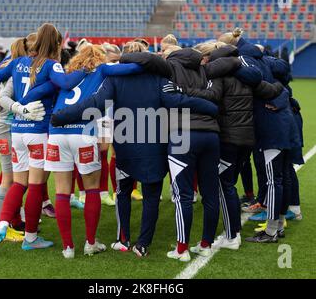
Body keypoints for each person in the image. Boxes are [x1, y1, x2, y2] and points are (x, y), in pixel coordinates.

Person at [51, 42, 219, 258]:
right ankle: (143, 243)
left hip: (125, 146)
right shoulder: (160, 79)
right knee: (151, 195)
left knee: (123, 193)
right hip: (154, 146)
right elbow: (178, 101)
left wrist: (61, 116)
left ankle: (123, 239)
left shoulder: (115, 78)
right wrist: (211, 108)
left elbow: (95, 103)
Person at [116, 43, 241, 260]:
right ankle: (205, 244)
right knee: (209, 193)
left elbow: (164, 91)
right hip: (211, 134)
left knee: (183, 195)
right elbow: (217, 88)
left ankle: (181, 250)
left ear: (171, 56)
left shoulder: (169, 69)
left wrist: (120, 61)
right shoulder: (205, 69)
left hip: (182, 135)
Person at [0, 23, 88, 253]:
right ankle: (30, 238)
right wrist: (86, 67)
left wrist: (21, 100)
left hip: (17, 129)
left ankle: (1, 225)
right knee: (36, 185)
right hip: (38, 130)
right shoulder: (52, 65)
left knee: (18, 183)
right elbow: (67, 83)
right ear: (57, 44)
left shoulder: (19, 62)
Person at [42, 44, 143, 258]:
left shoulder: (67, 74)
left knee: (61, 191)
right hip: (84, 133)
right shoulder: (102, 69)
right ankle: (90, 243)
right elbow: (133, 68)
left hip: (57, 133)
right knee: (92, 189)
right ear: (99, 58)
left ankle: (67, 247)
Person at [191, 42, 283, 250]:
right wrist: (280, 84)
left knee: (225, 186)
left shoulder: (218, 77)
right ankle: (233, 233)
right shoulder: (246, 77)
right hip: (247, 139)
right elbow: (270, 91)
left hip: (228, 139)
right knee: (228, 184)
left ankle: (232, 236)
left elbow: (212, 99)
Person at [219, 28, 299, 243]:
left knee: (274, 180)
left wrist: (231, 64)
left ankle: (271, 231)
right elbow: (283, 71)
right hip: (282, 122)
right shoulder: (259, 57)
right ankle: (278, 226)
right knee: (280, 177)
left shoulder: (244, 59)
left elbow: (255, 77)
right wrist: (279, 91)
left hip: (270, 126)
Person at [0, 36, 41, 242]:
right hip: (6, 128)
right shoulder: (19, 70)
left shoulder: (7, 65)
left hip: (6, 126)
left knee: (12, 177)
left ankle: (10, 218)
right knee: (9, 180)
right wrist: (5, 108)